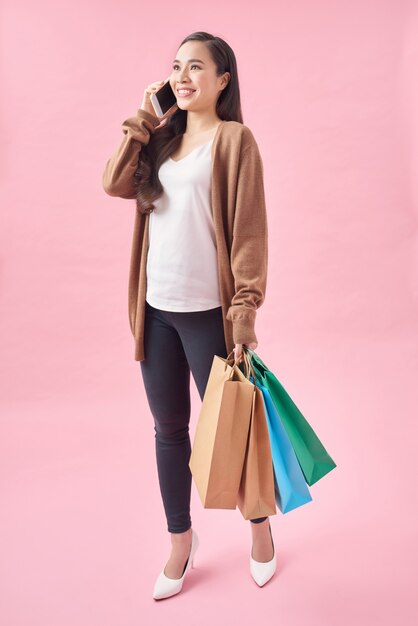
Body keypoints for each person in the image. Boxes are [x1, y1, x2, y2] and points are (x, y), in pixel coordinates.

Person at [102, 31, 276, 598]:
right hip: (155, 312)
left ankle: (260, 531)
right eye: (176, 67)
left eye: (196, 67)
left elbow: (248, 235)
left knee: (234, 429)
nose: (183, 76)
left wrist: (244, 316)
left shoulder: (234, 140)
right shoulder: (161, 142)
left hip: (208, 315)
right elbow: (112, 183)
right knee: (169, 431)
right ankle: (181, 540)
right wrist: (143, 120)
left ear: (222, 80)